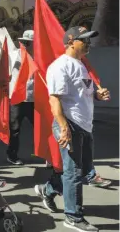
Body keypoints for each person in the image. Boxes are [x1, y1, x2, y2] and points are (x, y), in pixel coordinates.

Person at [44, 26, 110, 232]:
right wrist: (64, 127)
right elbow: (54, 100)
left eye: (89, 39)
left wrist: (98, 95)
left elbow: (84, 95)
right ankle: (73, 216)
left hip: (84, 126)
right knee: (74, 172)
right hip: (69, 125)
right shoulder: (60, 66)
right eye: (84, 40)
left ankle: (48, 190)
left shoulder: (82, 65)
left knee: (80, 171)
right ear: (71, 41)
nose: (88, 43)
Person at [7, 30, 35, 165]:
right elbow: (4, 72)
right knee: (14, 129)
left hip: (34, 99)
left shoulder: (39, 57)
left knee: (42, 128)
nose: (25, 45)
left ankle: (47, 154)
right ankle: (12, 155)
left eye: (28, 43)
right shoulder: (13, 55)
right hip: (17, 98)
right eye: (24, 42)